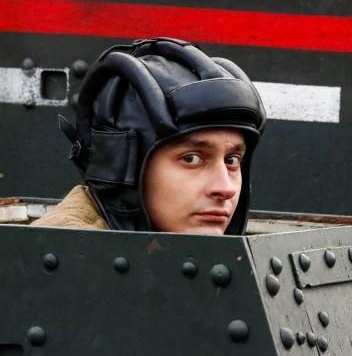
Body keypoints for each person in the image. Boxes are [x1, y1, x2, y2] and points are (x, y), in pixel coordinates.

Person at [31, 38, 266, 235]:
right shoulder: (66, 258)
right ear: (123, 169)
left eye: (232, 160)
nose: (225, 188)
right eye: (192, 158)